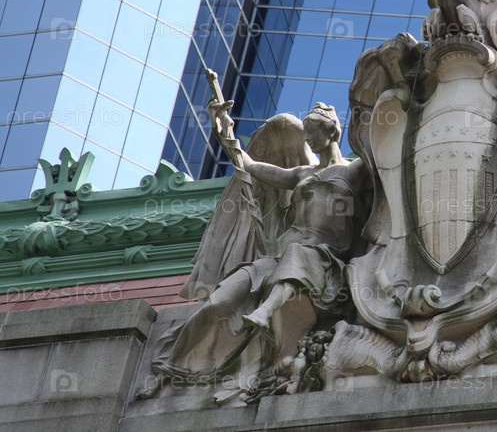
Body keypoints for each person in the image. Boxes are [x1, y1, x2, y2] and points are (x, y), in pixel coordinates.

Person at [139, 103, 370, 398]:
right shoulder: (301, 173)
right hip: (277, 259)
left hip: (325, 264)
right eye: (306, 132)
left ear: (332, 131)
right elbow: (250, 166)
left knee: (298, 254)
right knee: (218, 303)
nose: (308, 139)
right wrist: (224, 129)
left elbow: (389, 159)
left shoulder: (355, 170)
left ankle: (265, 311)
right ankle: (169, 370)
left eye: (313, 132)